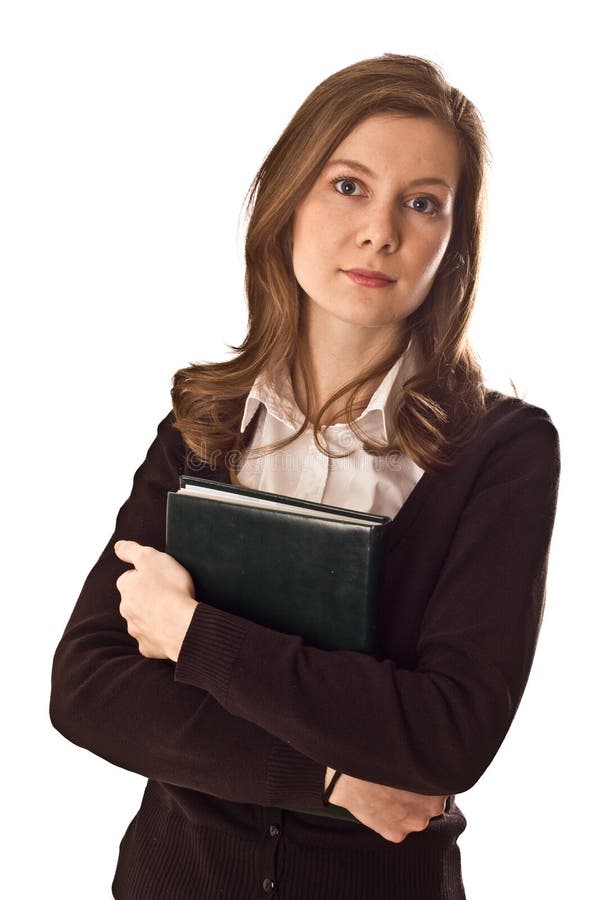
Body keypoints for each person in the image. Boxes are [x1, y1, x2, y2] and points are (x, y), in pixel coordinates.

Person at [50, 53, 561, 900]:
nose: (380, 232)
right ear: (288, 200)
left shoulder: (499, 452)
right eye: (349, 186)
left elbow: (445, 736)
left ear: (454, 240)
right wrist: (329, 776)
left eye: (422, 203)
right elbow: (89, 687)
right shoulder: (202, 424)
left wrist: (189, 636)